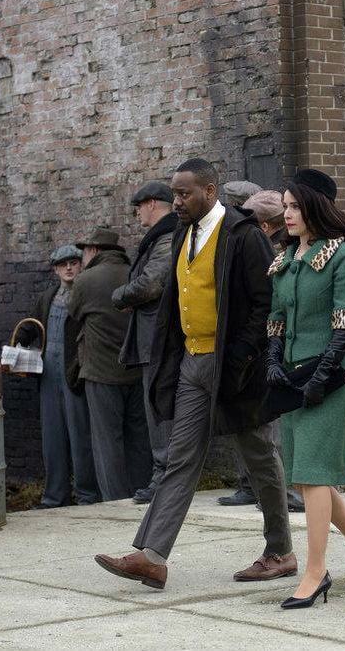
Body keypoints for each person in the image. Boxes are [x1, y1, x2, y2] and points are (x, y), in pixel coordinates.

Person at [94, 158, 293, 590]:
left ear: (209, 189)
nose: (176, 201)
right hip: (193, 363)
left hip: (237, 368)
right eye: (174, 194)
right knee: (179, 458)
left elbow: (265, 304)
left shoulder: (243, 236)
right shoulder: (182, 233)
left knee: (259, 457)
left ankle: (280, 551)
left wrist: (240, 358)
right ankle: (152, 556)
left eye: (184, 194)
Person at [265, 168, 345, 609]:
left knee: (313, 473)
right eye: (285, 206)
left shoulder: (341, 256)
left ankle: (316, 572)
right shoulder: (285, 260)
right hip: (294, 376)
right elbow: (276, 320)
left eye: (295, 206)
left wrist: (320, 375)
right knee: (304, 476)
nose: (287, 214)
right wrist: (274, 360)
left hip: (330, 375)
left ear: (315, 205)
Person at [217, 188, 305, 514]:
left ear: (266, 226)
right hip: (273, 352)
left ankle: (286, 495)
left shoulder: (274, 256)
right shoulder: (277, 252)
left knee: (272, 429)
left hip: (276, 354)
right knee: (268, 429)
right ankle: (270, 492)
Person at [69, 228, 152, 501]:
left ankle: (114, 500)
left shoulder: (86, 280)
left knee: (107, 442)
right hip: (137, 370)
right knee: (139, 438)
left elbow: (75, 315)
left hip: (101, 373)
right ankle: (141, 492)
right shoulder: (136, 274)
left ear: (94, 250)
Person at [15, 245, 99, 508]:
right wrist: (19, 342)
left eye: (74, 262)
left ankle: (87, 494)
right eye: (63, 265)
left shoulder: (86, 295)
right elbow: (31, 323)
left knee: (80, 435)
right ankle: (54, 496)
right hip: (48, 372)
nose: (69, 268)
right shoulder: (47, 297)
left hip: (75, 370)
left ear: (81, 265)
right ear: (55, 269)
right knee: (52, 437)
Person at [113, 181, 179, 505]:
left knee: (159, 408)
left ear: (152, 203)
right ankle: (165, 475)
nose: (138, 213)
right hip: (156, 337)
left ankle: (164, 478)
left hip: (159, 338)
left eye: (139, 206)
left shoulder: (166, 237)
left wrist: (121, 295)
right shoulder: (163, 236)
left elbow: (152, 282)